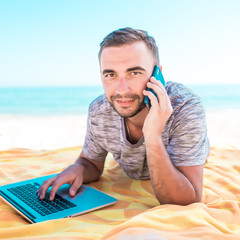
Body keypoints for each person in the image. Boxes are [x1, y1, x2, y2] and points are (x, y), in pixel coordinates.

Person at [38, 27, 210, 205]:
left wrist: (152, 135)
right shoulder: (99, 110)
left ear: (157, 74)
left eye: (134, 73)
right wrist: (78, 169)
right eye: (110, 74)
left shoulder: (185, 108)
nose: (121, 90)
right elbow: (91, 163)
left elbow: (186, 201)